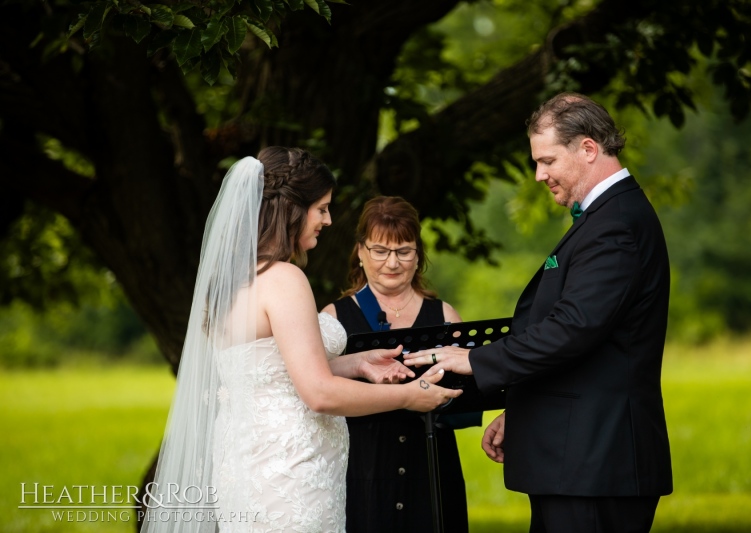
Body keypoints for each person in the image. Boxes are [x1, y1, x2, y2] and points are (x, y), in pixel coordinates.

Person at [141, 147, 461, 533]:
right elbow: (319, 394)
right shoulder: (283, 279)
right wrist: (412, 395)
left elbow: (270, 369)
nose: (327, 220)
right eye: (321, 208)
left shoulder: (231, 283)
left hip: (247, 467)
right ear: (292, 209)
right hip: (291, 475)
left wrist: (356, 363)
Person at [404, 93, 673, 532]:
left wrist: (473, 359)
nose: (538, 175)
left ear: (588, 149)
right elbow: (587, 349)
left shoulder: (616, 225)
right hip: (578, 459)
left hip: (596, 466)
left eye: (546, 160)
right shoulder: (604, 219)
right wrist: (525, 411)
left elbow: (572, 329)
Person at [321, 196, 470, 533]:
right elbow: (315, 389)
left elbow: (466, 399)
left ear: (418, 255)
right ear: (360, 252)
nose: (393, 263)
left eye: (403, 251)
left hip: (430, 466)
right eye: (381, 251)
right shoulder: (333, 319)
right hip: (361, 470)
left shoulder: (445, 316)